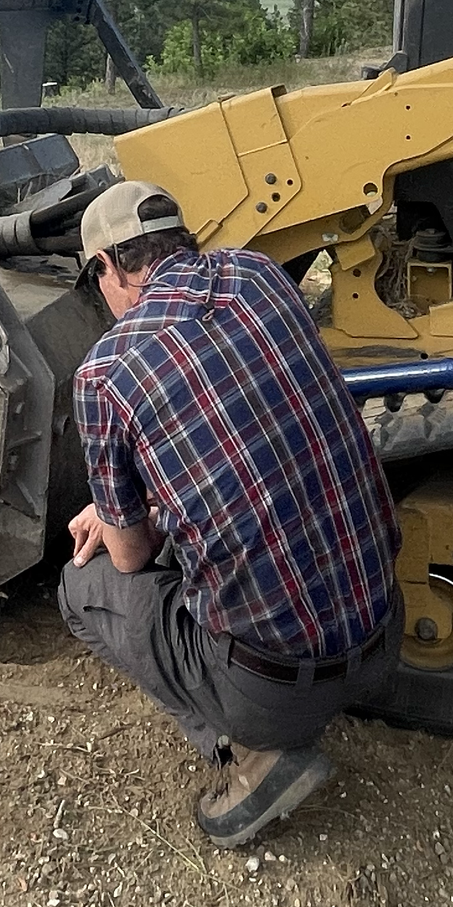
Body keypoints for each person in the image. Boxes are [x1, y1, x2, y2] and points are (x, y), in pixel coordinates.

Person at [57, 179, 402, 850]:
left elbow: (128, 554)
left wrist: (118, 510)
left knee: (84, 587)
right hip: (383, 633)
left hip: (274, 692)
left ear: (110, 265)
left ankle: (247, 752)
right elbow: (246, 430)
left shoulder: (104, 373)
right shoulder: (261, 275)